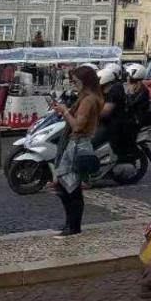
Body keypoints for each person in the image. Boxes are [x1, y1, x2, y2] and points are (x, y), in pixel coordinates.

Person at [49, 65, 104, 238]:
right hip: (76, 143)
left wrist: (65, 111)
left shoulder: (88, 100)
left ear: (85, 82)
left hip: (77, 144)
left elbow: (78, 126)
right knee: (68, 186)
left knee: (69, 187)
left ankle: (73, 226)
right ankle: (71, 224)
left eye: (76, 81)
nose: (73, 84)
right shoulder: (88, 97)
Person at [92, 64, 128, 158]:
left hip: (112, 125)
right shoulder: (111, 89)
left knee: (91, 142)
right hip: (107, 123)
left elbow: (105, 111)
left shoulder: (115, 91)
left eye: (101, 86)